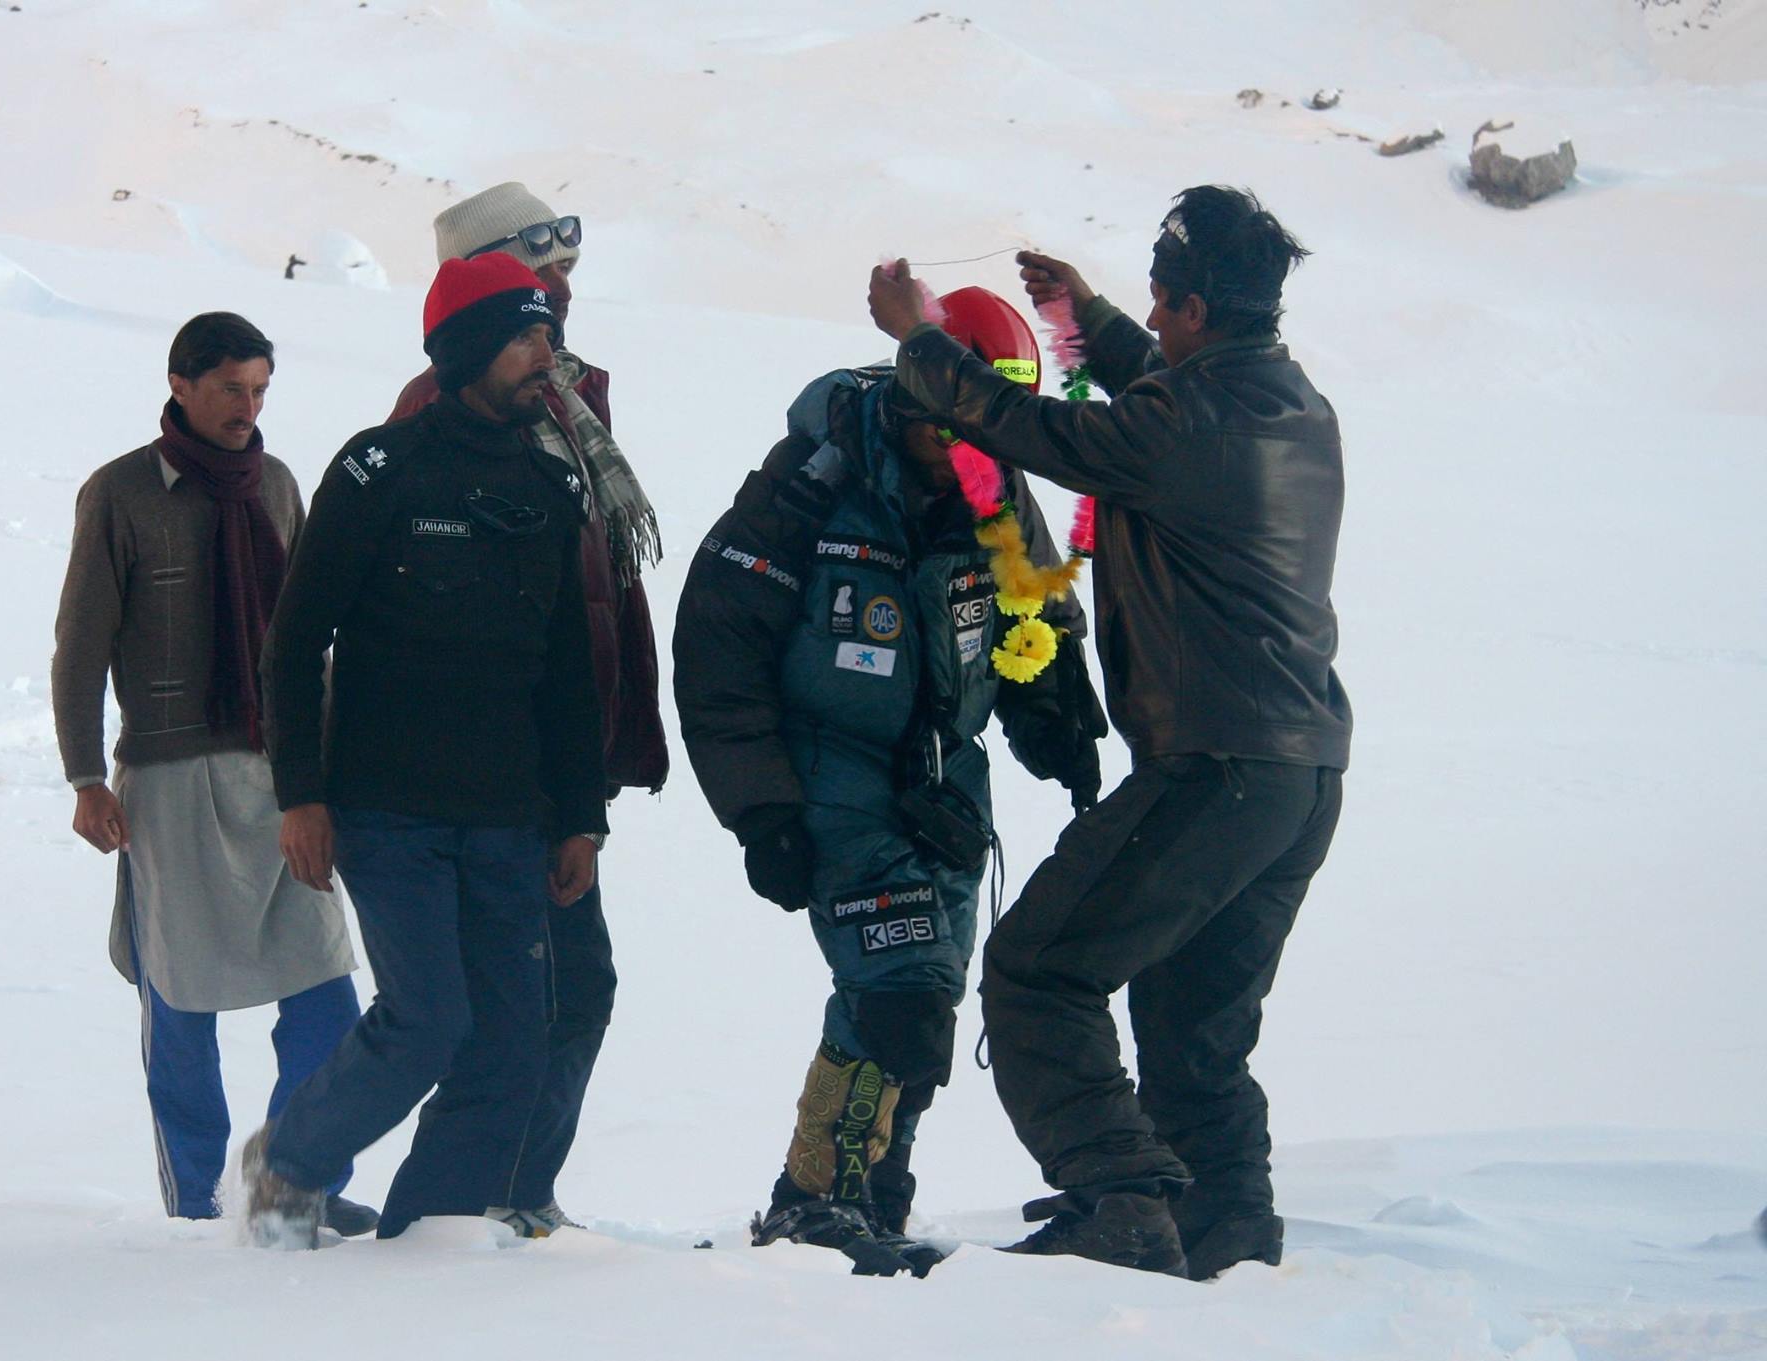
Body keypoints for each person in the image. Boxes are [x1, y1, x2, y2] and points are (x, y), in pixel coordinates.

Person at [867, 185, 1351, 1279]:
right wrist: (1087, 317)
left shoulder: (1179, 424)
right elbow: (1168, 396)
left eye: (1156, 297)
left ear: (1186, 305)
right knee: (1192, 1026)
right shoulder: (1289, 401)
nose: (1150, 309)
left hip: (1213, 768)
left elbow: (1034, 429)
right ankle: (1225, 1239)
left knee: (1040, 968)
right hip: (1298, 773)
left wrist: (922, 342)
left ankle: (1121, 1198)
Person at [674, 288, 1106, 1277]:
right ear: (917, 393)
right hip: (829, 772)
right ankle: (811, 1203)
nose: (978, 441)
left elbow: (1031, 620)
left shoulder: (992, 486)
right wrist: (762, 808)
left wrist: (1057, 724)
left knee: (925, 1005)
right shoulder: (811, 481)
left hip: (945, 779)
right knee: (896, 991)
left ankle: (863, 1200)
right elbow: (717, 642)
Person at [239, 253, 610, 1249]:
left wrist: (579, 817)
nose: (546, 355)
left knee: (512, 1036)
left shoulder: (547, 484)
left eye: (549, 335)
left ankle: (431, 1239)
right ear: (464, 348)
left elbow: (569, 678)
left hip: (508, 815)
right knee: (427, 1018)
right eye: (525, 336)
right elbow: (293, 639)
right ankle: (290, 1167)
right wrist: (300, 793)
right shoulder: (378, 468)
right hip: (383, 808)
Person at [384, 182, 667, 1235]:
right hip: (491, 770)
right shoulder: (435, 416)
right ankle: (471, 1205)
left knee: (559, 990)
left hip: (561, 756)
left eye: (564, 270)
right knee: (529, 997)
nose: (556, 290)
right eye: (533, 271)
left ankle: (504, 1196)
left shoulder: (575, 396)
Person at [51, 311, 372, 1235]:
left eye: (261, 388)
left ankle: (296, 1177)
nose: (248, 406)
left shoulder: (275, 485)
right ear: (182, 384)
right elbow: (81, 643)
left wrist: (331, 762)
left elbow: (311, 633)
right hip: (168, 778)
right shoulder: (118, 493)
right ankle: (195, 1210)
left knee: (324, 987)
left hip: (281, 778)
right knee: (180, 1006)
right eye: (232, 387)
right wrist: (84, 776)